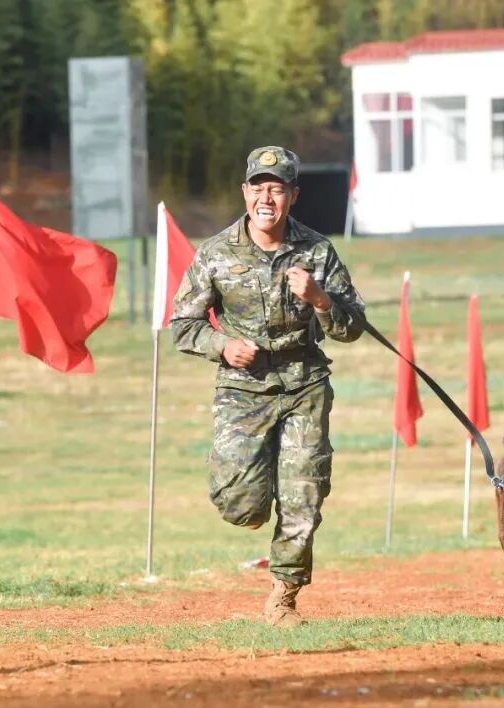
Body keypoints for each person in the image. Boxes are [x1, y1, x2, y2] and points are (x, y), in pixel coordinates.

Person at [171, 146, 365, 627]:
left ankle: (283, 597)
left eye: (277, 188)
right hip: (243, 389)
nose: (266, 197)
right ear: (244, 193)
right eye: (258, 186)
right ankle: (246, 489)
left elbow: (352, 326)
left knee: (303, 495)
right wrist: (222, 346)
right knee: (241, 505)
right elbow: (181, 324)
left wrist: (320, 299)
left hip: (304, 385)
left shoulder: (317, 252)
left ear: (293, 195)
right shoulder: (215, 253)